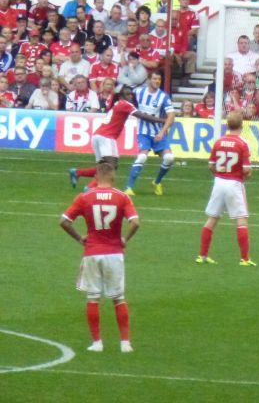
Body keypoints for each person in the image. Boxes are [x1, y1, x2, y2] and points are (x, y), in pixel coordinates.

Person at [59, 162, 139, 353]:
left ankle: (97, 343)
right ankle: (125, 343)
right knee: (119, 298)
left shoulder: (84, 197)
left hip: (92, 252)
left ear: (96, 176)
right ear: (112, 176)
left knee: (93, 297)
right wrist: (124, 239)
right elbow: (135, 222)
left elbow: (63, 221)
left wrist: (80, 238)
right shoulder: (122, 197)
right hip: (114, 253)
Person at [69, 85, 165, 189]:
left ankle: (77, 173)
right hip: (107, 137)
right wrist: (161, 120)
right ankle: (90, 188)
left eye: (131, 94)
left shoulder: (117, 104)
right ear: (121, 96)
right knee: (111, 167)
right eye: (127, 94)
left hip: (98, 136)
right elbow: (142, 116)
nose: (131, 96)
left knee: (102, 167)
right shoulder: (126, 104)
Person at [197, 112, 255, 266]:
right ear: (241, 125)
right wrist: (246, 175)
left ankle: (202, 255)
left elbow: (211, 165)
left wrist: (219, 174)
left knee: (212, 218)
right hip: (234, 184)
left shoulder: (219, 141)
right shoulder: (243, 143)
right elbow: (247, 169)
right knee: (241, 219)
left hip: (218, 182)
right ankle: (245, 259)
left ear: (227, 125)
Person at [124, 72, 176, 196]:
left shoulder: (163, 97)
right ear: (149, 80)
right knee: (142, 157)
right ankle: (129, 188)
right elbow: (125, 96)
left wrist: (162, 132)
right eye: (155, 78)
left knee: (169, 158)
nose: (157, 81)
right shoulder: (138, 92)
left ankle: (157, 182)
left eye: (159, 79)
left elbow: (171, 116)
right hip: (143, 132)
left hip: (158, 133)